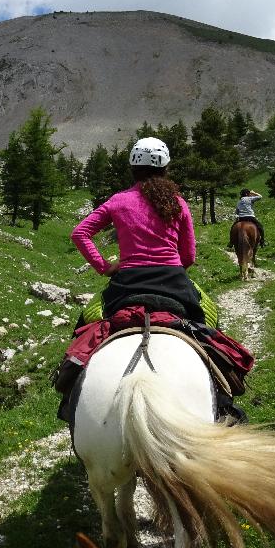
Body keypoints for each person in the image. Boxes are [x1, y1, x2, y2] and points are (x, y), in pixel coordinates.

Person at [53, 137, 208, 414]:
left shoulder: (119, 201)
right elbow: (189, 257)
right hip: (173, 280)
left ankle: (69, 387)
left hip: (126, 283)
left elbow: (80, 233)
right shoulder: (178, 203)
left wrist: (105, 266)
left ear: (133, 169)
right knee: (208, 324)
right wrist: (170, 269)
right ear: (165, 168)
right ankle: (223, 390)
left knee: (86, 323)